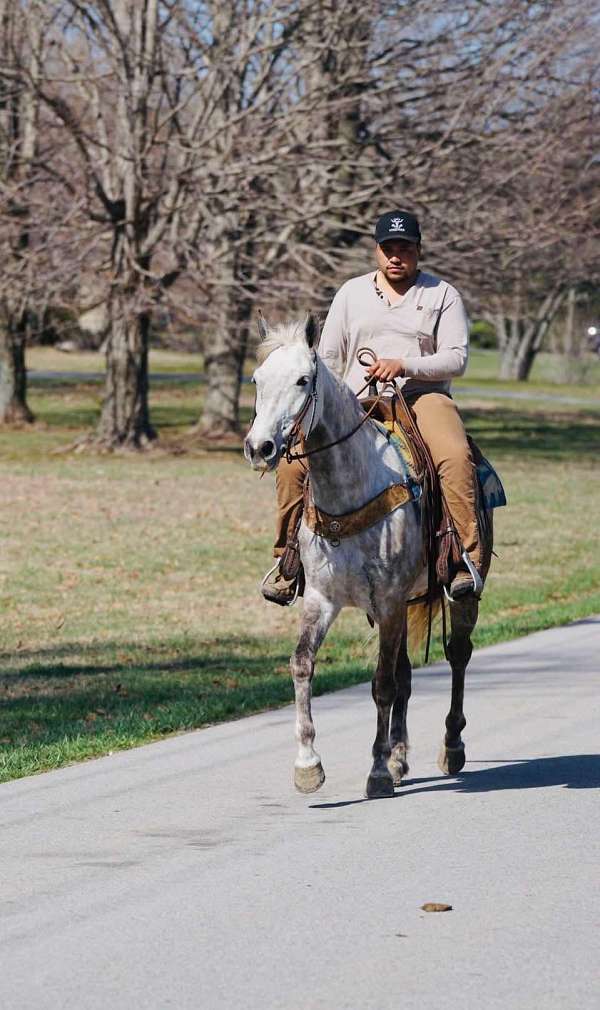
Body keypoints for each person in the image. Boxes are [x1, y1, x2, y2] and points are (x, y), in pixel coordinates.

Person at [262, 209, 482, 605]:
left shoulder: (442, 294)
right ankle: (287, 560)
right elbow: (327, 358)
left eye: (405, 248)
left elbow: (456, 358)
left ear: (418, 250)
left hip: (420, 397)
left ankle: (464, 557)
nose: (396, 256)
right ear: (376, 251)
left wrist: (405, 364)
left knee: (454, 454)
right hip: (355, 401)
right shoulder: (351, 293)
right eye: (388, 248)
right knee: (292, 462)